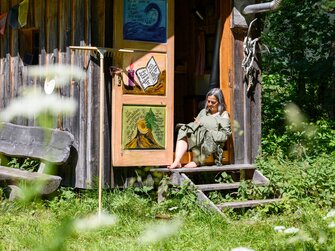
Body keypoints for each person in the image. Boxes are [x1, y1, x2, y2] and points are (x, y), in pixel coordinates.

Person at [168, 88, 231, 169]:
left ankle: (196, 161)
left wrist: (207, 131)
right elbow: (194, 127)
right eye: (208, 101)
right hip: (198, 140)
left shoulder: (223, 115)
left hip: (212, 143)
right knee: (185, 128)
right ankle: (177, 161)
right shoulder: (203, 112)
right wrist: (196, 125)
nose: (210, 104)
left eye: (213, 102)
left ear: (220, 102)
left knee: (200, 131)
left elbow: (225, 135)